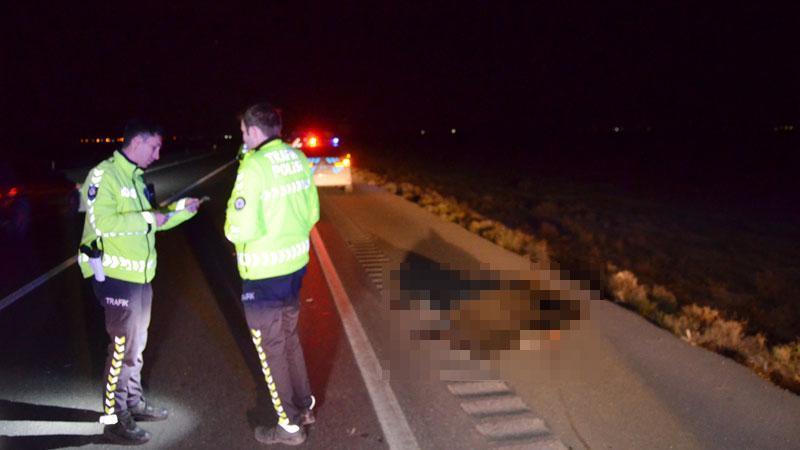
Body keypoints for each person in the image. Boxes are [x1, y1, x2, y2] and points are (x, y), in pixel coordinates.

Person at [77, 119, 202, 445]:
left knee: (135, 346)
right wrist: (149, 218)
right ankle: (114, 418)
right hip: (116, 276)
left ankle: (132, 403)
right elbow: (101, 222)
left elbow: (151, 222)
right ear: (137, 142)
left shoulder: (136, 178)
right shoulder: (104, 175)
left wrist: (181, 210)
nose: (158, 155)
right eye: (155, 147)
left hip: (140, 276)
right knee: (121, 348)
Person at [224, 103, 319, 446]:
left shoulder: (254, 166)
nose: (242, 138)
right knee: (290, 339)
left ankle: (289, 427)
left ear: (252, 131)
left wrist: (231, 225)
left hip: (263, 274)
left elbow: (239, 228)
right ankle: (305, 407)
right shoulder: (298, 159)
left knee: (271, 350)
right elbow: (312, 213)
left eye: (243, 132)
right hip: (293, 268)